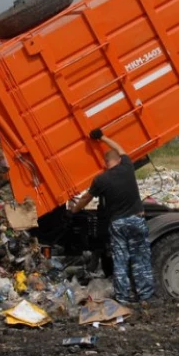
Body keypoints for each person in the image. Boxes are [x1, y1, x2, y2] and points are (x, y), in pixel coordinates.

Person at [67, 128, 155, 305]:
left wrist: (74, 210)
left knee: (120, 260)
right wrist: (103, 137)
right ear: (118, 160)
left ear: (105, 162)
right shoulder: (127, 166)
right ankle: (145, 297)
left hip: (118, 223)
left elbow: (86, 198)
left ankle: (123, 298)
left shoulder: (101, 179)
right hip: (136, 219)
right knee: (141, 258)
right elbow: (120, 148)